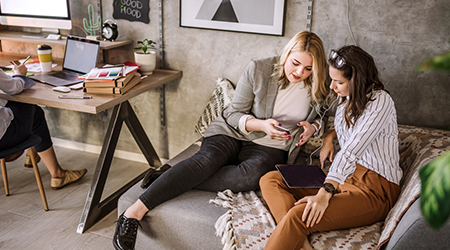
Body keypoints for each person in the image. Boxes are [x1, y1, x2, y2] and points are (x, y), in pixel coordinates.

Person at [113, 30, 330, 250]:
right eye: (295, 63)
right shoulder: (260, 68)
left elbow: (326, 115)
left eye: (308, 68)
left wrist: (314, 127)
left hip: (271, 146)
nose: (300, 72)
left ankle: (169, 176)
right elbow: (233, 113)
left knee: (250, 177)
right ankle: (132, 214)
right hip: (232, 131)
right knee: (206, 161)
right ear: (287, 54)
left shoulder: (320, 82)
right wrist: (262, 125)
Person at [260, 45, 403, 250]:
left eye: (339, 82)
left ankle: (294, 232)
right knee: (271, 179)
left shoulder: (381, 101)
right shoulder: (347, 100)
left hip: (374, 189)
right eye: (332, 80)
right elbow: (357, 129)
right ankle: (298, 242)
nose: (332, 87)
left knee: (298, 216)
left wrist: (325, 193)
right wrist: (329, 136)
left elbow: (353, 148)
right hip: (344, 178)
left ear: (358, 80)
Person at [0, 63, 87, 190]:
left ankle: (33, 154)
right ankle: (57, 174)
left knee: (31, 112)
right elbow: (14, 88)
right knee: (30, 103)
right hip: (5, 137)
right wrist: (18, 74)